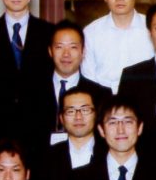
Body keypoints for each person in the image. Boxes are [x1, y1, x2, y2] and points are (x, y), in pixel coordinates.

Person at [23, 22, 112, 162]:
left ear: (83, 52)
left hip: (87, 167)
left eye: (73, 47)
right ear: (50, 51)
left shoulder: (101, 95)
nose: (66, 54)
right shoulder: (29, 92)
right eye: (59, 47)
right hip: (39, 166)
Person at [82, 0, 153, 92]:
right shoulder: (91, 33)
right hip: (103, 98)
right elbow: (89, 77)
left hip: (145, 97)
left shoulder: (152, 28)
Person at [36, 86, 105, 180]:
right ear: (61, 118)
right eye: (71, 111)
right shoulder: (46, 158)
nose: (78, 117)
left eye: (85, 110)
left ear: (95, 115)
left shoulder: (109, 153)